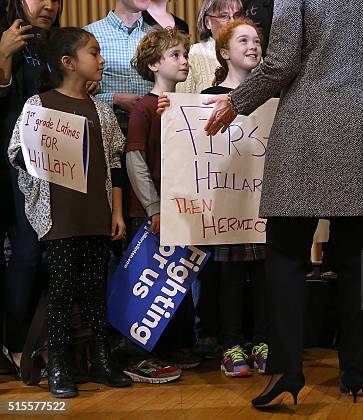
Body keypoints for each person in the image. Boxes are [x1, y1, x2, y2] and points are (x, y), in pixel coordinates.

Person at [204, 0, 363, 407]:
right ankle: (355, 372)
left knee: (285, 256)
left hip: (308, 128)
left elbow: (280, 64)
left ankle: (287, 370)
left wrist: (236, 101)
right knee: (358, 260)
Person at [7, 27, 132, 398]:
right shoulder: (39, 106)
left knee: (96, 289)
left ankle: (101, 359)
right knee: (62, 290)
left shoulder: (101, 110)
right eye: (93, 53)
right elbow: (15, 153)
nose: (101, 59)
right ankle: (58, 363)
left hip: (97, 213)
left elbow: (115, 165)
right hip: (60, 217)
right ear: (68, 63)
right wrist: (43, 157)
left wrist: (118, 213)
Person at [157, 18, 269, 378]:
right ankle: (231, 345)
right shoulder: (205, 98)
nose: (253, 46)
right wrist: (168, 113)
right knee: (230, 279)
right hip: (225, 207)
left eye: (257, 40)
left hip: (263, 205)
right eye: (243, 41)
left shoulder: (273, 97)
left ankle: (263, 340)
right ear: (224, 52)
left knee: (267, 275)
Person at [124, 27, 197, 382]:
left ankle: (173, 346)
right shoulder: (144, 108)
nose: (184, 61)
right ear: (154, 64)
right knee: (148, 286)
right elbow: (135, 160)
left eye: (185, 54)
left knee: (175, 284)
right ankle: (141, 354)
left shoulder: (183, 106)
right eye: (175, 56)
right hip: (151, 215)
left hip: (180, 212)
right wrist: (153, 207)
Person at [0, 0, 62, 378]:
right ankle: (15, 345)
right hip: (10, 164)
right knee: (24, 253)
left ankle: (38, 343)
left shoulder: (50, 45)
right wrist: (3, 57)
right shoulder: (9, 36)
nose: (49, 5)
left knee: (44, 255)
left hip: (50, 161)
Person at [84, 0, 153, 135]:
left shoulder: (157, 37)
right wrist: (114, 99)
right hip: (103, 130)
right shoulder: (89, 34)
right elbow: (75, 95)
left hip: (151, 132)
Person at [176, 0, 243, 94]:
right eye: (224, 16)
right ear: (207, 22)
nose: (233, 22)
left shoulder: (252, 53)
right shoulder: (192, 54)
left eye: (237, 15)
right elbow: (181, 100)